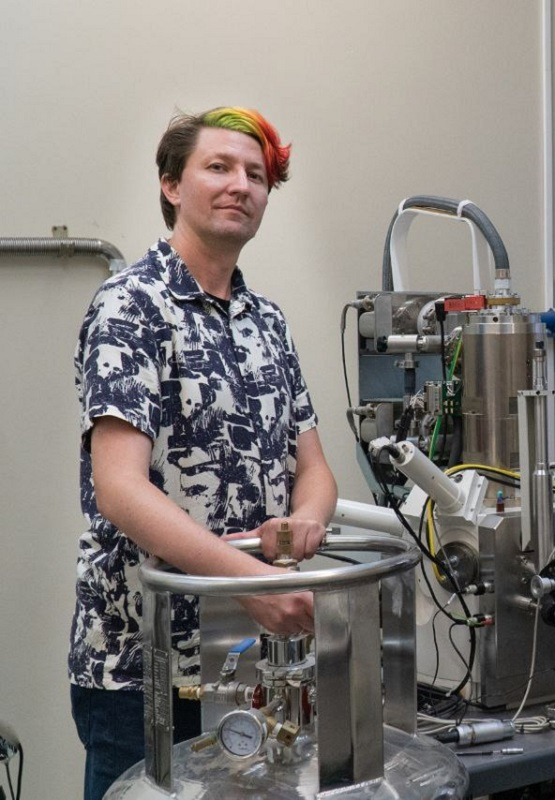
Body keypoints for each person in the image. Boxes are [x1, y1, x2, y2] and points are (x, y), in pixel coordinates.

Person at [68, 107, 337, 800]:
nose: (240, 185)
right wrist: (252, 584)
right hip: (147, 666)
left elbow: (312, 467)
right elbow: (120, 490)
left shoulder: (267, 321)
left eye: (256, 174)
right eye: (218, 167)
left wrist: (304, 521)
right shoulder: (132, 306)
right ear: (170, 186)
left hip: (247, 661)